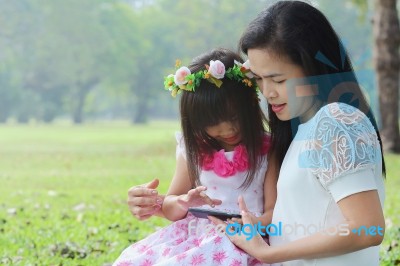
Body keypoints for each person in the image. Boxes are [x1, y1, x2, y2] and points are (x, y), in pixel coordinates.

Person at [208, 1, 386, 266]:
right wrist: (265, 226)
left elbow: (367, 228)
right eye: (258, 79)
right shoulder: (304, 129)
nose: (267, 92)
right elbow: (310, 219)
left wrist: (267, 253)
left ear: (313, 67)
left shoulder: (336, 122)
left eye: (278, 80)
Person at [114, 48, 277, 265]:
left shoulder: (267, 148)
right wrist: (183, 201)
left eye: (235, 117)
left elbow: (273, 212)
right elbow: (170, 207)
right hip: (197, 236)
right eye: (212, 123)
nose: (227, 129)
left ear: (251, 104)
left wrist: (249, 224)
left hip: (246, 237)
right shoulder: (193, 150)